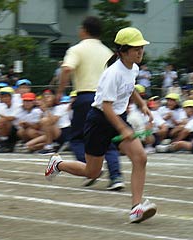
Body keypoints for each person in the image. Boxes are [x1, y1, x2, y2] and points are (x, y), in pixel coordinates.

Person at [45, 27, 157, 223]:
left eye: (141, 48)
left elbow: (130, 88)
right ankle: (58, 164)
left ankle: (136, 208)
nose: (140, 52)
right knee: (92, 171)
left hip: (117, 118)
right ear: (123, 51)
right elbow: (106, 107)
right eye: (136, 48)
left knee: (140, 157)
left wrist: (142, 104)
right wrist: (123, 128)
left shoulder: (134, 68)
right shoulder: (113, 73)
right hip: (99, 120)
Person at [56, 16, 124, 190]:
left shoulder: (77, 49)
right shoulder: (109, 52)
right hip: (107, 99)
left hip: (85, 98)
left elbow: (67, 68)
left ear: (84, 30)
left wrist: (60, 91)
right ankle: (116, 176)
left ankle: (91, 168)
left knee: (77, 138)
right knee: (107, 140)